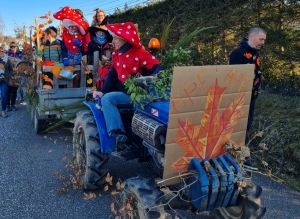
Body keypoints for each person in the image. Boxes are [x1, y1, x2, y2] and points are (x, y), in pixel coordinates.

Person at [92, 22, 162, 144]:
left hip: (140, 94)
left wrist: (154, 76)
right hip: (127, 93)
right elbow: (113, 74)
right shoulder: (118, 54)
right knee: (107, 99)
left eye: (115, 38)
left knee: (108, 99)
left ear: (124, 38)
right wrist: (102, 91)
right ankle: (118, 132)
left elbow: (156, 67)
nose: (112, 41)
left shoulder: (140, 52)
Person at [229, 26, 266, 170]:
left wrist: (257, 87)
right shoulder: (238, 53)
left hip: (251, 97)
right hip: (239, 98)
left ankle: (241, 156)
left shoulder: (256, 54)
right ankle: (241, 158)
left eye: (264, 40)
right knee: (238, 128)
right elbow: (231, 76)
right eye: (261, 39)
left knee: (247, 127)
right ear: (252, 37)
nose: (263, 42)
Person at [53, 6, 90, 88]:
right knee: (66, 77)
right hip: (68, 60)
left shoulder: (83, 31)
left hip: (79, 61)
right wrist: (65, 57)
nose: (72, 28)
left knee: (77, 77)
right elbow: (63, 46)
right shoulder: (66, 32)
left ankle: (75, 92)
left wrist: (80, 46)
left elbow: (85, 48)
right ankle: (66, 93)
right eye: (71, 26)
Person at [6, 42, 23, 111]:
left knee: (14, 91)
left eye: (14, 46)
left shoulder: (20, 54)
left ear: (17, 47)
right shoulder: (7, 54)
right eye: (11, 47)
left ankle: (13, 105)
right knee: (8, 91)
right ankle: (7, 105)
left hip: (17, 76)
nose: (12, 48)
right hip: (9, 76)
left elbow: (22, 64)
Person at [0, 47, 13, 117]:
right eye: (0, 51)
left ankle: (3, 111)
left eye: (2, 51)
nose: (1, 52)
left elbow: (11, 70)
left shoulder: (7, 60)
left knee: (4, 95)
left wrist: (7, 76)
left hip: (4, 80)